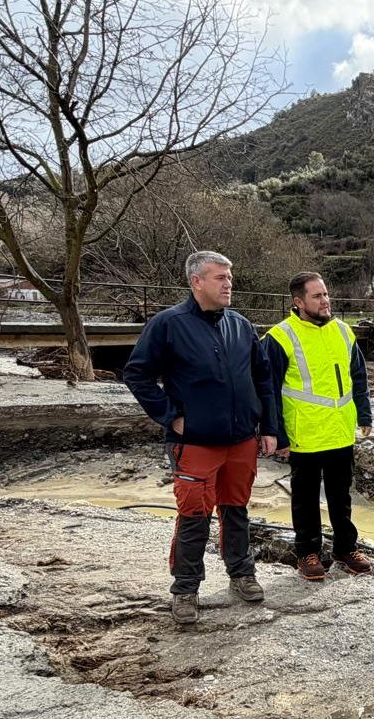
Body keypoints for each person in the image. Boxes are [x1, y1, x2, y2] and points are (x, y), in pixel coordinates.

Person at [122, 250, 277, 625]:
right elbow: (137, 374)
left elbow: (263, 379)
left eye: (229, 276)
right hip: (195, 442)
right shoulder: (168, 324)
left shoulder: (241, 325)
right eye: (219, 277)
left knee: (236, 508)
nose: (228, 283)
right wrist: (171, 417)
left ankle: (242, 574)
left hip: (241, 439)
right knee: (194, 514)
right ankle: (185, 589)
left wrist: (270, 427)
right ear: (196, 282)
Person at [264, 272, 374, 581]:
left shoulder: (343, 331)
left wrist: (364, 415)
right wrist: (277, 433)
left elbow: (359, 376)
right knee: (305, 498)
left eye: (326, 295)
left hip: (340, 431)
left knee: (341, 495)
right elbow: (268, 389)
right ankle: (308, 552)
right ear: (298, 302)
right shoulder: (280, 337)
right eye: (317, 296)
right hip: (305, 434)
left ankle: (345, 548)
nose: (325, 301)